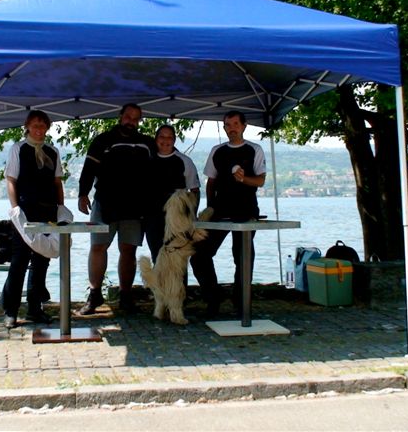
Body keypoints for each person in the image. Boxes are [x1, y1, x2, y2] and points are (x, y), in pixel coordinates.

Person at [77, 103, 156, 314]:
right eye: (128, 117)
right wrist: (83, 194)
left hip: (135, 206)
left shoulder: (147, 143)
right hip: (105, 203)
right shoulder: (103, 140)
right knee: (97, 247)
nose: (131, 121)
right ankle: (94, 295)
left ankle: (125, 296)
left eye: (136, 118)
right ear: (120, 116)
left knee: (128, 250)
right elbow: (89, 168)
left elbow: (161, 165)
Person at [190, 111, 266, 318]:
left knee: (243, 258)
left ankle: (241, 304)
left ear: (244, 126)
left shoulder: (255, 149)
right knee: (199, 255)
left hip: (246, 210)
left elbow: (260, 180)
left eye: (235, 124)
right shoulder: (217, 151)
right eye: (228, 125)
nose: (232, 128)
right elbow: (211, 182)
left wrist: (244, 179)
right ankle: (213, 298)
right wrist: (210, 207)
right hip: (220, 211)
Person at [0, 110, 65, 328]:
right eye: (35, 125)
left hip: (48, 212)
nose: (39, 130)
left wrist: (61, 208)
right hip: (25, 211)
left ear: (47, 128)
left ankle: (35, 309)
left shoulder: (52, 151)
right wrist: (15, 208)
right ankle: (11, 311)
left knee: (42, 260)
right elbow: (11, 179)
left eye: (43, 126)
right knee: (19, 260)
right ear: (27, 126)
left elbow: (57, 182)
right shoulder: (18, 149)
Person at [144, 124, 201, 263]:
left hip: (178, 219)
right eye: (162, 136)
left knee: (179, 259)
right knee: (157, 258)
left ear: (174, 140)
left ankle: (180, 280)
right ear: (156, 139)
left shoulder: (185, 161)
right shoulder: (147, 161)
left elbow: (194, 191)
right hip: (153, 219)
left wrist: (192, 216)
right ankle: (158, 279)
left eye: (169, 137)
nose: (165, 140)